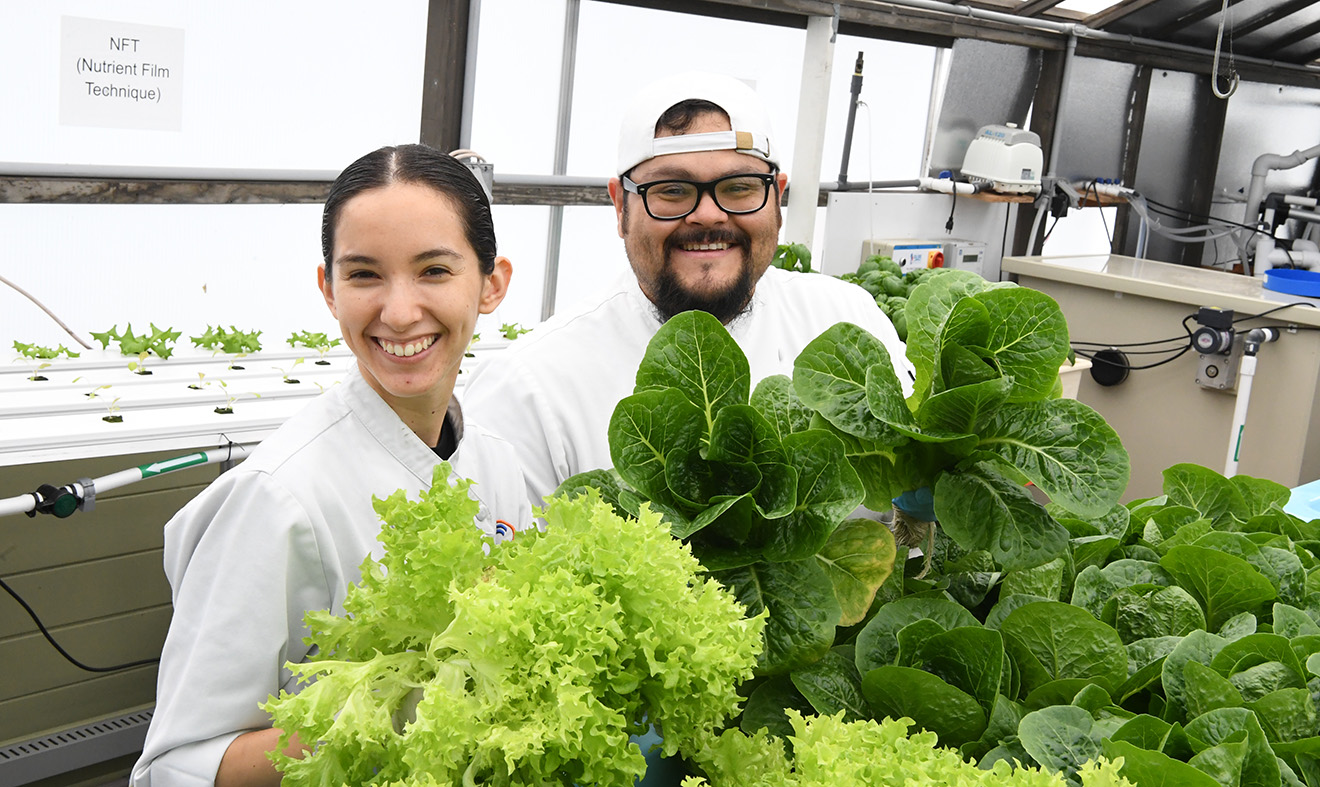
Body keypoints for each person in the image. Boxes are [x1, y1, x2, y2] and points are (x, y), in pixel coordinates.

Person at [132, 144, 531, 787]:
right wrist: (393, 707)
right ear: (329, 289)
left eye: (434, 271)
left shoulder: (500, 464)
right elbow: (174, 768)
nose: (399, 312)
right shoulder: (278, 496)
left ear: (492, 284)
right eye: (365, 275)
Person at [460, 71, 911, 507]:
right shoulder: (531, 389)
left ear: (779, 198)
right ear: (620, 206)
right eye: (672, 191)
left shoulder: (848, 320)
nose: (710, 215)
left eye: (739, 187)